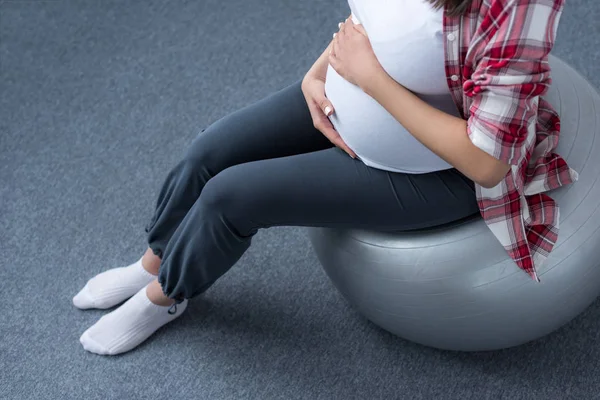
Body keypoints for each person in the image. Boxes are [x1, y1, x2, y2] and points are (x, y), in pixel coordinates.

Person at [73, 0, 578, 355]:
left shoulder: (517, 6)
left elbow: (487, 161)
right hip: (340, 97)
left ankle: (164, 298)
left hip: (431, 172)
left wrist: (371, 82)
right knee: (207, 152)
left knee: (230, 198)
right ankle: (153, 261)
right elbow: (374, 20)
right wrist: (319, 73)